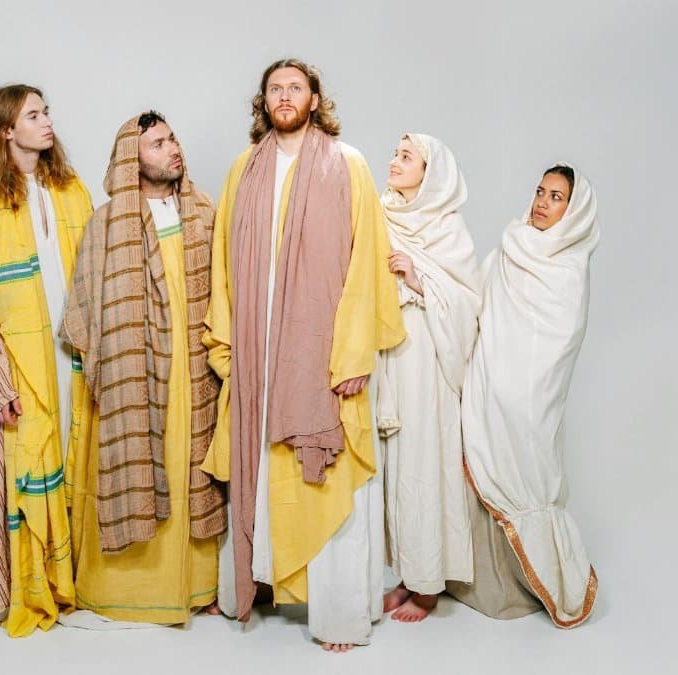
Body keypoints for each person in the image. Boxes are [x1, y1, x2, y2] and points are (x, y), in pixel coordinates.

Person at [200, 58, 405, 651]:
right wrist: (231, 345)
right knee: (264, 467)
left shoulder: (348, 164)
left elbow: (366, 264)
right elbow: (222, 263)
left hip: (322, 353)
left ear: (315, 99)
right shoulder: (245, 169)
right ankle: (261, 583)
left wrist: (353, 354)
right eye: (274, 89)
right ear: (263, 103)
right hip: (261, 352)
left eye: (295, 88)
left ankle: (339, 613)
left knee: (326, 469)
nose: (284, 96)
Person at [60, 111, 227, 625]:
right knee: (138, 461)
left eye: (172, 139)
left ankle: (200, 587)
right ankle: (128, 595)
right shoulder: (109, 222)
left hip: (196, 369)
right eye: (156, 144)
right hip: (136, 372)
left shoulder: (203, 210)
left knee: (192, 465)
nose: (172, 149)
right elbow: (85, 307)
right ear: (133, 159)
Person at [0, 84, 94, 637]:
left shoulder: (70, 188)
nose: (46, 121)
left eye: (47, 112)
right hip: (17, 370)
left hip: (69, 359)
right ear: (6, 130)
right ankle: (32, 588)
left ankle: (73, 582)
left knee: (72, 456)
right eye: (34, 115)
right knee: (25, 469)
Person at [446, 164, 600, 628]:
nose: (541, 203)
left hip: (531, 401)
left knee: (527, 474)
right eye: (540, 191)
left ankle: (541, 582)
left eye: (556, 197)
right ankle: (488, 586)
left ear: (574, 213)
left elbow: (558, 341)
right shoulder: (511, 246)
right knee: (481, 466)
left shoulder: (569, 270)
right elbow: (475, 299)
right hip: (489, 387)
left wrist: (520, 388)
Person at [374, 133, 481, 622]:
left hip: (430, 361)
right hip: (392, 354)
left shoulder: (447, 227)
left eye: (406, 157)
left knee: (424, 463)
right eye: (395, 154)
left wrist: (417, 276)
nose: (394, 162)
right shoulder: (381, 211)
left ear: (430, 171)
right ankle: (405, 573)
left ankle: (429, 585)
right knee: (396, 464)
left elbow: (467, 303)